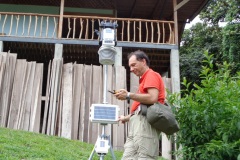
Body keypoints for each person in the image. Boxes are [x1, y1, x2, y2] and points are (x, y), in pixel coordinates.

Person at [114, 50, 165, 160]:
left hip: (146, 124)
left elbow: (152, 98)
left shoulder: (151, 75)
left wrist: (128, 95)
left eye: (133, 65)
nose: (131, 69)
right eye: (130, 66)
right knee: (128, 157)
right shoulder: (144, 80)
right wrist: (126, 118)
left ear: (143, 62)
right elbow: (140, 109)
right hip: (137, 124)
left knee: (145, 157)